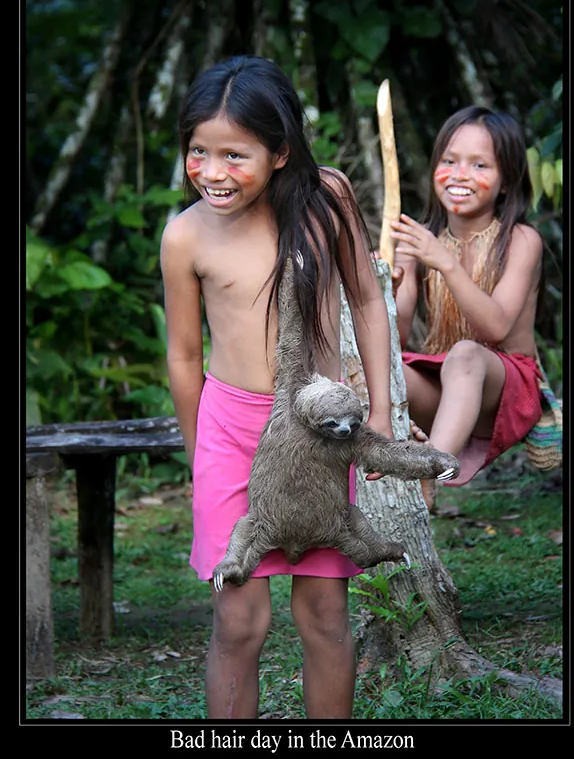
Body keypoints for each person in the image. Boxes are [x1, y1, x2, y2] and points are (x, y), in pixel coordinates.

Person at [160, 55, 394, 719]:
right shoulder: (184, 236)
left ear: (281, 152)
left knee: (324, 614)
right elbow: (184, 356)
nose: (212, 172)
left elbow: (366, 300)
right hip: (229, 434)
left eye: (234, 155)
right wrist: (198, 453)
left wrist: (380, 409)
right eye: (198, 152)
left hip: (318, 433)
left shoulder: (328, 197)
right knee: (239, 621)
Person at [388, 105, 544, 510]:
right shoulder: (422, 240)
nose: (460, 175)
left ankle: (429, 470)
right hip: (446, 386)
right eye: (449, 161)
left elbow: (495, 329)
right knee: (381, 370)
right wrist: (389, 287)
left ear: (506, 182)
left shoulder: (521, 240)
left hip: (507, 392)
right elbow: (395, 337)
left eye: (479, 165)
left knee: (467, 355)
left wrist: (446, 263)